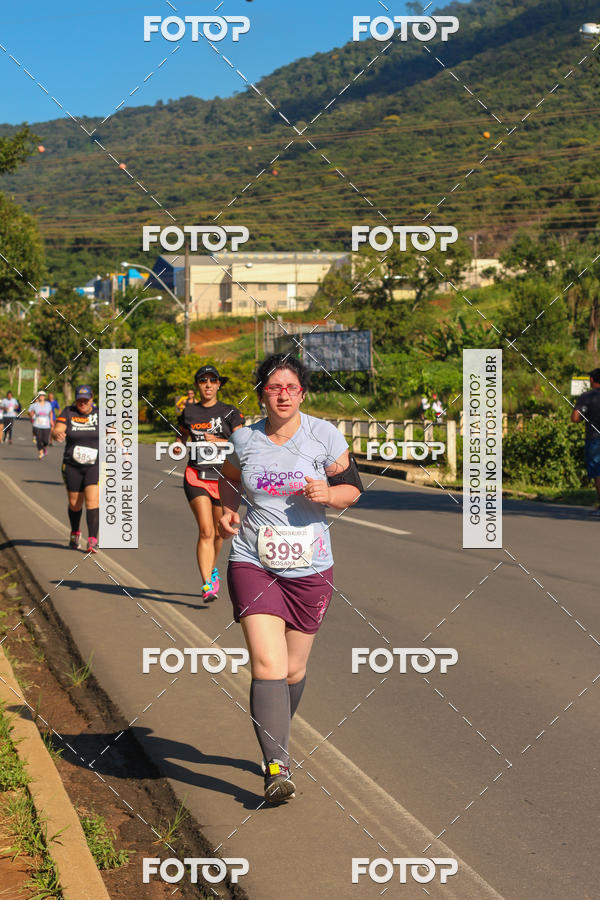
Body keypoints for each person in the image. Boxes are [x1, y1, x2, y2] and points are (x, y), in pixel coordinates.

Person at [218, 353, 363, 803]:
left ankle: (275, 730)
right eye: (275, 386)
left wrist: (330, 493)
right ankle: (276, 766)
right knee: (268, 665)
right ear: (262, 391)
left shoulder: (324, 434)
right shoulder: (243, 438)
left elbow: (353, 488)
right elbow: (229, 477)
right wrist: (228, 509)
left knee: (293, 669)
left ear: (302, 393)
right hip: (252, 561)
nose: (284, 394)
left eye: (292, 388)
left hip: (311, 568)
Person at [177, 366, 244, 601]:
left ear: (218, 385)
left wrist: (219, 441)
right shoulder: (189, 412)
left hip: (223, 479)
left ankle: (211, 569)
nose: (207, 384)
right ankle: (207, 584)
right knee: (205, 530)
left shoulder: (230, 412)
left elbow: (242, 443)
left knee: (218, 533)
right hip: (196, 475)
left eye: (212, 380)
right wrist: (177, 445)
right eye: (203, 380)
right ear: (197, 385)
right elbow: (180, 436)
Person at [51, 385, 100, 552]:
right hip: (72, 465)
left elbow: (112, 431)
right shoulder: (68, 412)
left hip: (94, 465)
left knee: (92, 500)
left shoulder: (100, 414)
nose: (83, 403)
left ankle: (93, 539)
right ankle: (75, 532)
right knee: (75, 504)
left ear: (92, 400)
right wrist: (57, 433)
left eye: (86, 400)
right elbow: (58, 428)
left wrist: (122, 448)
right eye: (80, 400)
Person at [571, 368, 600, 517]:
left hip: (595, 439)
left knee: (598, 473)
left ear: (592, 381)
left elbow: (575, 418)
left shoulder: (587, 396)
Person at [28, 390, 53, 459]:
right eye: (40, 396)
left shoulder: (48, 404)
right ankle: (41, 453)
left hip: (46, 425)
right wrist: (31, 416)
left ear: (44, 397)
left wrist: (51, 420)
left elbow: (51, 412)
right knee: (39, 439)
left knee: (45, 441)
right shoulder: (34, 405)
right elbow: (31, 413)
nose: (41, 397)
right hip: (37, 425)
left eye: (43, 396)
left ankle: (44, 448)